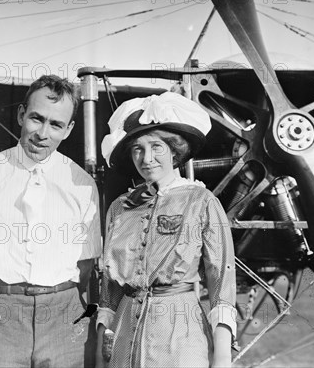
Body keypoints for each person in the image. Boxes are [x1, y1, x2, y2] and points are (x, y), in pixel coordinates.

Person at [0, 74, 102, 367]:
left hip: (64, 318)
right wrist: (0, 301)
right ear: (22, 114)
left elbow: (85, 267)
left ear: (69, 129)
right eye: (37, 118)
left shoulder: (82, 184)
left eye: (56, 124)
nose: (42, 133)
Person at [95, 92, 236, 368]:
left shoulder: (201, 202)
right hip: (124, 329)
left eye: (156, 147)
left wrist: (222, 358)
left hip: (179, 329)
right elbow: (109, 290)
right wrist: (102, 351)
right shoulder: (119, 208)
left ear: (175, 150)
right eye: (137, 149)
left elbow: (222, 281)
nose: (147, 158)